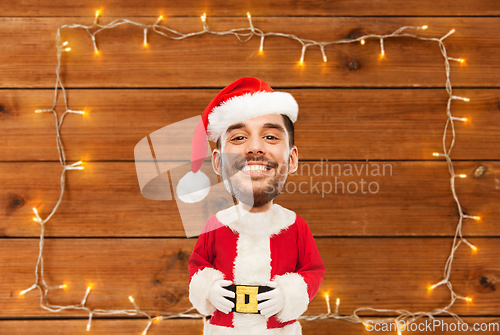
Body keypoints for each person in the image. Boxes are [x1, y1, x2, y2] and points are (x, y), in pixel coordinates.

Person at [185, 77, 325, 335]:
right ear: (218, 163)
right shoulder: (215, 225)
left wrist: (287, 296)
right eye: (238, 137)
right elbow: (198, 266)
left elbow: (312, 271)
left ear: (292, 159)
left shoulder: (295, 226)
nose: (255, 148)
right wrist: (209, 288)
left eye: (270, 136)